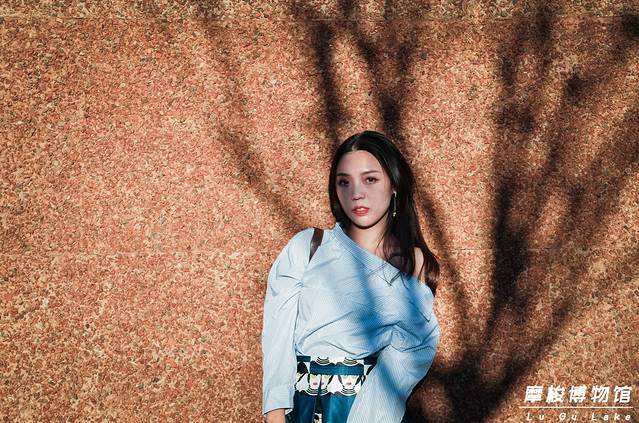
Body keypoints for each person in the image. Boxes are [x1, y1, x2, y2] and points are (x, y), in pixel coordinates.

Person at [261, 131, 441, 423]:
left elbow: (411, 353)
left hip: (374, 410)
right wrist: (275, 414)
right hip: (304, 408)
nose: (356, 193)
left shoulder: (413, 262)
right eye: (344, 182)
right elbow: (276, 336)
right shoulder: (309, 246)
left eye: (370, 179)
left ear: (394, 184)